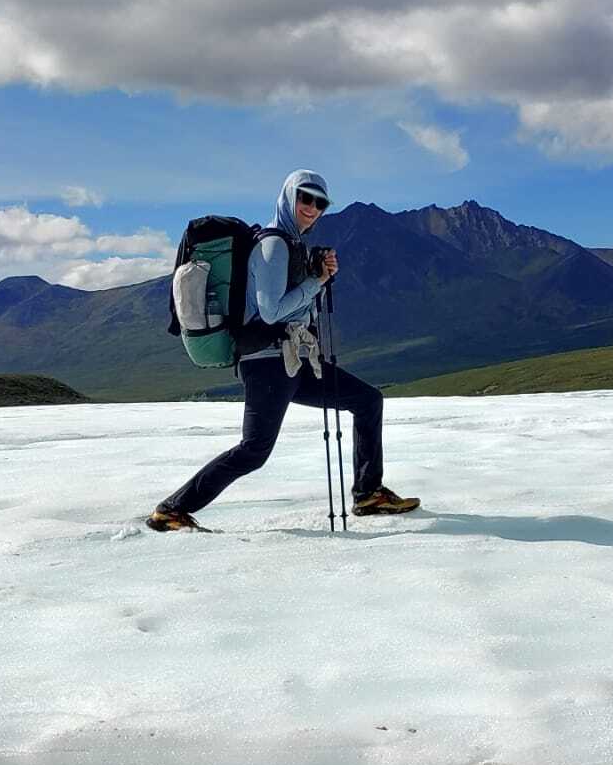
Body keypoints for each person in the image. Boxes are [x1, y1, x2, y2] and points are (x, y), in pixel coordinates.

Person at [147, 169, 420, 531]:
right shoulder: (274, 246)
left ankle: (368, 494)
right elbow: (272, 310)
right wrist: (316, 281)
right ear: (289, 198)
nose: (312, 207)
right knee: (254, 450)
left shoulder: (291, 245)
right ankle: (171, 510)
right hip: (268, 363)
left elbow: (295, 307)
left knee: (367, 400)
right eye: (305, 198)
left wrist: (317, 278)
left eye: (319, 202)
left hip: (292, 361)